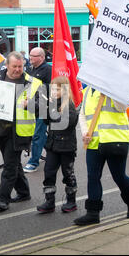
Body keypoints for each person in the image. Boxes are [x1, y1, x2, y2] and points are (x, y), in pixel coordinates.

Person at [74, 86, 129, 226]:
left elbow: (122, 108)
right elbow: (83, 115)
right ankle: (92, 213)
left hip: (114, 139)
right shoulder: (86, 92)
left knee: (119, 176)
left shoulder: (115, 87)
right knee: (93, 177)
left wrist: (112, 91)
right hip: (94, 141)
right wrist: (85, 132)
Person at [0, 51, 43, 211]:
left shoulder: (33, 83)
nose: (18, 69)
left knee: (10, 166)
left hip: (20, 131)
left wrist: (30, 104)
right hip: (0, 129)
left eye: (20, 66)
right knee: (13, 163)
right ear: (7, 65)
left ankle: (2, 199)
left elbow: (45, 108)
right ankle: (24, 192)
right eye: (14, 66)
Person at [36, 76, 79, 214]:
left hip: (67, 146)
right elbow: (47, 122)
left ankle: (71, 201)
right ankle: (49, 202)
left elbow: (66, 124)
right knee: (49, 173)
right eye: (52, 89)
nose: (53, 92)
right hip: (53, 145)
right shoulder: (53, 103)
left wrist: (51, 110)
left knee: (68, 174)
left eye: (57, 89)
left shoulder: (70, 106)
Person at [23, 47, 52, 173]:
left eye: (33, 56)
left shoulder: (48, 70)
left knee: (38, 135)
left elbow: (51, 88)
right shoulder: (30, 69)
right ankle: (52, 149)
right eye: (30, 55)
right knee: (36, 133)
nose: (30, 58)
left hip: (43, 107)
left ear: (41, 57)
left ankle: (33, 162)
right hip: (30, 105)